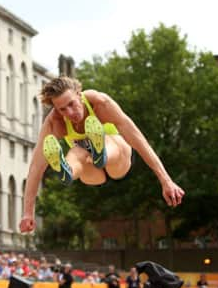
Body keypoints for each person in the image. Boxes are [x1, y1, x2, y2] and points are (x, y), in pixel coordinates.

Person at [20, 77, 185, 233]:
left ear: (79, 94)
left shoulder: (100, 103)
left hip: (118, 162)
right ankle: (66, 171)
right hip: (92, 173)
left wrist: (166, 180)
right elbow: (36, 167)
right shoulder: (53, 122)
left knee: (110, 141)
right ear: (56, 108)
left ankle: (101, 151)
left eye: (71, 104)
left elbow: (138, 140)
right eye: (62, 109)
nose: (69, 113)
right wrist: (28, 213)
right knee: (77, 152)